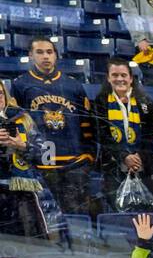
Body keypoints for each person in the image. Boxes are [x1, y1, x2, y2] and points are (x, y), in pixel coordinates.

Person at [11, 38, 94, 215]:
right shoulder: (20, 85)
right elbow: (18, 124)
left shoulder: (73, 84)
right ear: (31, 55)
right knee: (45, 221)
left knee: (77, 219)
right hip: (40, 165)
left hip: (74, 165)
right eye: (40, 52)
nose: (45, 56)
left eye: (49, 52)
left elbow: (87, 124)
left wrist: (88, 157)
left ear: (56, 55)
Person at [94, 58, 153, 212]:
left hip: (144, 165)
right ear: (108, 78)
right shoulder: (101, 101)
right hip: (114, 166)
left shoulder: (144, 102)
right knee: (119, 212)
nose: (119, 79)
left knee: (147, 211)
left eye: (123, 75)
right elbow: (101, 134)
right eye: (115, 75)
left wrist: (140, 157)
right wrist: (124, 156)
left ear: (131, 78)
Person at [0, 82, 59, 239]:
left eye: (0, 93)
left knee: (30, 243)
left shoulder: (22, 118)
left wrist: (23, 146)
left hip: (23, 194)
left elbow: (47, 155)